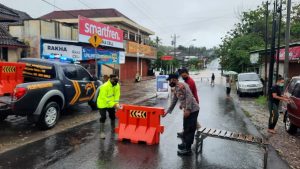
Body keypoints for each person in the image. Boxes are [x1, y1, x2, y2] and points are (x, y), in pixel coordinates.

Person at [163, 74, 200, 156]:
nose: (169, 82)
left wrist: (188, 109)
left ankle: (188, 150)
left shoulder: (182, 85)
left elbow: (189, 96)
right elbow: (174, 100)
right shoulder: (176, 88)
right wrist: (167, 111)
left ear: (174, 79)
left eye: (170, 80)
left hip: (193, 110)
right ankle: (185, 144)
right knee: (186, 127)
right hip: (187, 110)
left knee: (190, 129)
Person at [177, 68, 200, 138]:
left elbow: (188, 96)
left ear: (187, 73)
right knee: (192, 120)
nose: (182, 76)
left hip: (192, 103)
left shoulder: (190, 81)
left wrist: (187, 107)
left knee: (189, 119)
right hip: (191, 102)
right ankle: (198, 131)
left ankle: (186, 133)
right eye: (181, 75)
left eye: (183, 75)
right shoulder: (187, 81)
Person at [97, 74, 121, 139]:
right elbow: (104, 97)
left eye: (117, 80)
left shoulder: (117, 85)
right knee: (103, 117)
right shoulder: (104, 86)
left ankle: (113, 129)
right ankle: (102, 132)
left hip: (111, 104)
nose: (116, 81)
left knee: (113, 116)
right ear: (110, 79)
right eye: (114, 80)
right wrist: (114, 104)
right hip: (102, 103)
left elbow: (117, 95)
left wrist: (117, 104)